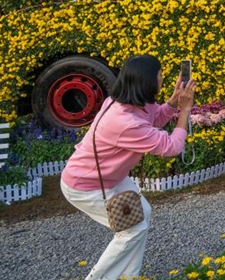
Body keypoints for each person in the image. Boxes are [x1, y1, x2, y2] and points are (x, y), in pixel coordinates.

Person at [60, 54, 196, 280]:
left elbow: (154, 120)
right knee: (131, 231)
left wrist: (173, 103)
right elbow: (171, 147)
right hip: (85, 185)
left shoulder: (129, 102)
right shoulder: (124, 121)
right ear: (148, 80)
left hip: (110, 177)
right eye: (160, 74)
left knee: (143, 214)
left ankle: (128, 276)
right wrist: (184, 110)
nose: (163, 78)